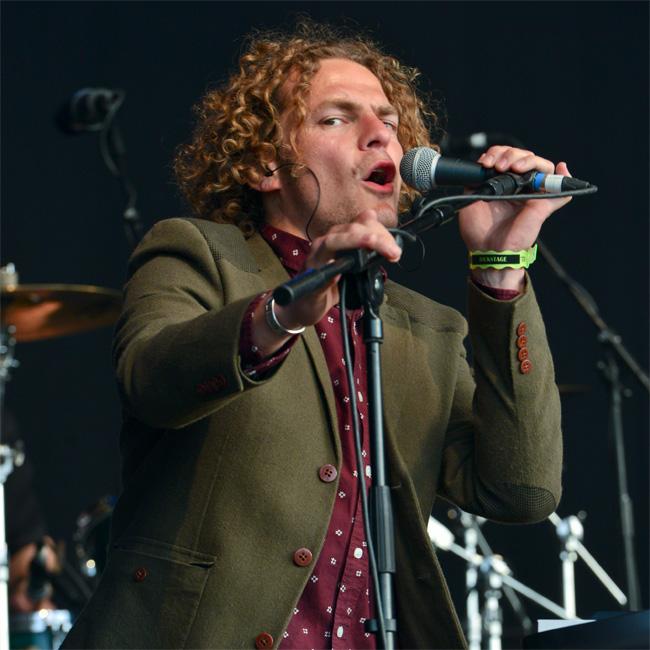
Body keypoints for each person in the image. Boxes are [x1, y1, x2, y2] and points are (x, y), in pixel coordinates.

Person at [62, 20, 569, 650]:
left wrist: (500, 268)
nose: (380, 134)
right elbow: (151, 381)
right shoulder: (199, 254)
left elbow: (521, 490)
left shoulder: (427, 330)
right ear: (262, 165)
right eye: (336, 118)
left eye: (389, 120)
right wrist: (284, 312)